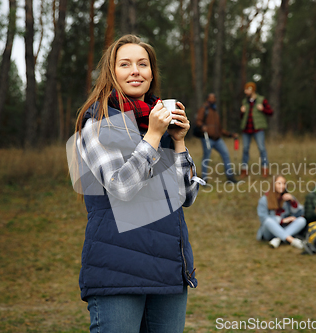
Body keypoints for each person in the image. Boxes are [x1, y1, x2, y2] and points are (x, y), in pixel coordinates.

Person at [72, 35, 200, 333]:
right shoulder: (96, 123)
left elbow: (188, 195)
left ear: (152, 73)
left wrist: (178, 142)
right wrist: (154, 136)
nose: (135, 71)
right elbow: (121, 187)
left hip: (168, 267)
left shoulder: (160, 120)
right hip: (117, 269)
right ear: (111, 72)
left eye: (143, 64)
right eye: (125, 64)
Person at [195, 93, 238, 183]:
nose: (212, 99)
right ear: (207, 99)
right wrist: (202, 126)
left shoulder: (215, 111)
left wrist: (230, 135)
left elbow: (219, 129)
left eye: (214, 98)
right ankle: (204, 179)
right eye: (210, 98)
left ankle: (230, 177)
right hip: (207, 138)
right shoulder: (204, 109)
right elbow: (198, 120)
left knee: (226, 154)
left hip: (217, 139)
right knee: (206, 157)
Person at [256, 175, 306, 249]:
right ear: (273, 185)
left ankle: (278, 239)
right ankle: (292, 241)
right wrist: (282, 221)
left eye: (284, 183)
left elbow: (300, 213)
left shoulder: (288, 198)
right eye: (279, 183)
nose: (282, 186)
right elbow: (263, 218)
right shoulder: (264, 199)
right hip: (269, 231)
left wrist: (293, 201)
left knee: (302, 220)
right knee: (268, 221)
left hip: (284, 228)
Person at [239, 82, 273, 178]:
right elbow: (241, 117)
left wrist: (263, 109)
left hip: (258, 129)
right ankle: (244, 171)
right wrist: (241, 112)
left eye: (247, 89)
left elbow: (270, 112)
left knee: (262, 149)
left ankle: (265, 169)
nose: (245, 91)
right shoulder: (244, 102)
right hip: (247, 129)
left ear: (252, 90)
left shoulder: (261, 100)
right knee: (245, 149)